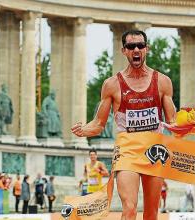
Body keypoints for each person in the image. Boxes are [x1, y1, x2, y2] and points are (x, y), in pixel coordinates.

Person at [71, 30, 176, 220]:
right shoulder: (112, 84)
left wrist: (190, 125)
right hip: (127, 150)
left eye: (140, 46)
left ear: (147, 49)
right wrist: (83, 130)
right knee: (129, 207)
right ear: (124, 51)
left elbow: (173, 122)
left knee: (152, 212)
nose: (136, 49)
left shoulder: (162, 82)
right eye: (130, 46)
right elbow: (99, 123)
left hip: (154, 151)